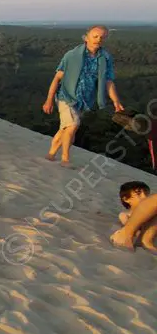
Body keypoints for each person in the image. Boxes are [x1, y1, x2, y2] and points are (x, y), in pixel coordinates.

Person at [43, 25, 125, 167]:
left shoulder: (105, 58)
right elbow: (57, 78)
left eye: (102, 37)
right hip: (66, 95)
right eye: (95, 36)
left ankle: (51, 154)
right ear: (86, 37)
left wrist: (116, 102)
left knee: (65, 128)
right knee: (73, 125)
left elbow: (108, 81)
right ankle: (65, 159)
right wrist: (49, 100)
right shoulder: (71, 55)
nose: (98, 39)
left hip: (84, 100)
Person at [110, 181, 157, 252]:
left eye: (147, 194)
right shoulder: (125, 215)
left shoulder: (152, 214)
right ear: (126, 199)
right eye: (139, 194)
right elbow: (132, 228)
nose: (144, 196)